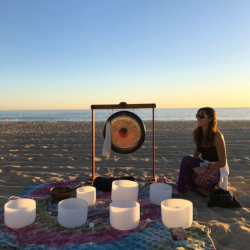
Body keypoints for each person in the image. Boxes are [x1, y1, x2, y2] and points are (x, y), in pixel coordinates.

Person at [177, 107, 229, 197]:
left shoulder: (217, 136)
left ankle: (212, 186)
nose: (198, 118)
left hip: (217, 167)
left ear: (210, 119)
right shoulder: (198, 132)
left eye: (202, 116)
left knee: (198, 179)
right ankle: (187, 189)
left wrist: (204, 169)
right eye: (197, 116)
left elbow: (222, 162)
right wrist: (193, 164)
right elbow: (198, 149)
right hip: (204, 162)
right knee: (186, 160)